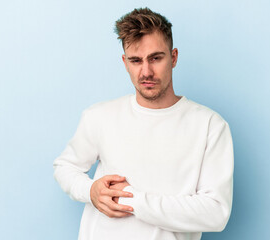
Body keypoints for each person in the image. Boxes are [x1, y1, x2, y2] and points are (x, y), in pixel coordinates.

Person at [53, 7, 234, 240]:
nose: (146, 71)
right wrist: (90, 190)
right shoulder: (99, 116)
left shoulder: (210, 126)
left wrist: (133, 200)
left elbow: (216, 213)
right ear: (125, 62)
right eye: (136, 60)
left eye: (155, 58)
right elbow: (65, 167)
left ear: (174, 57)